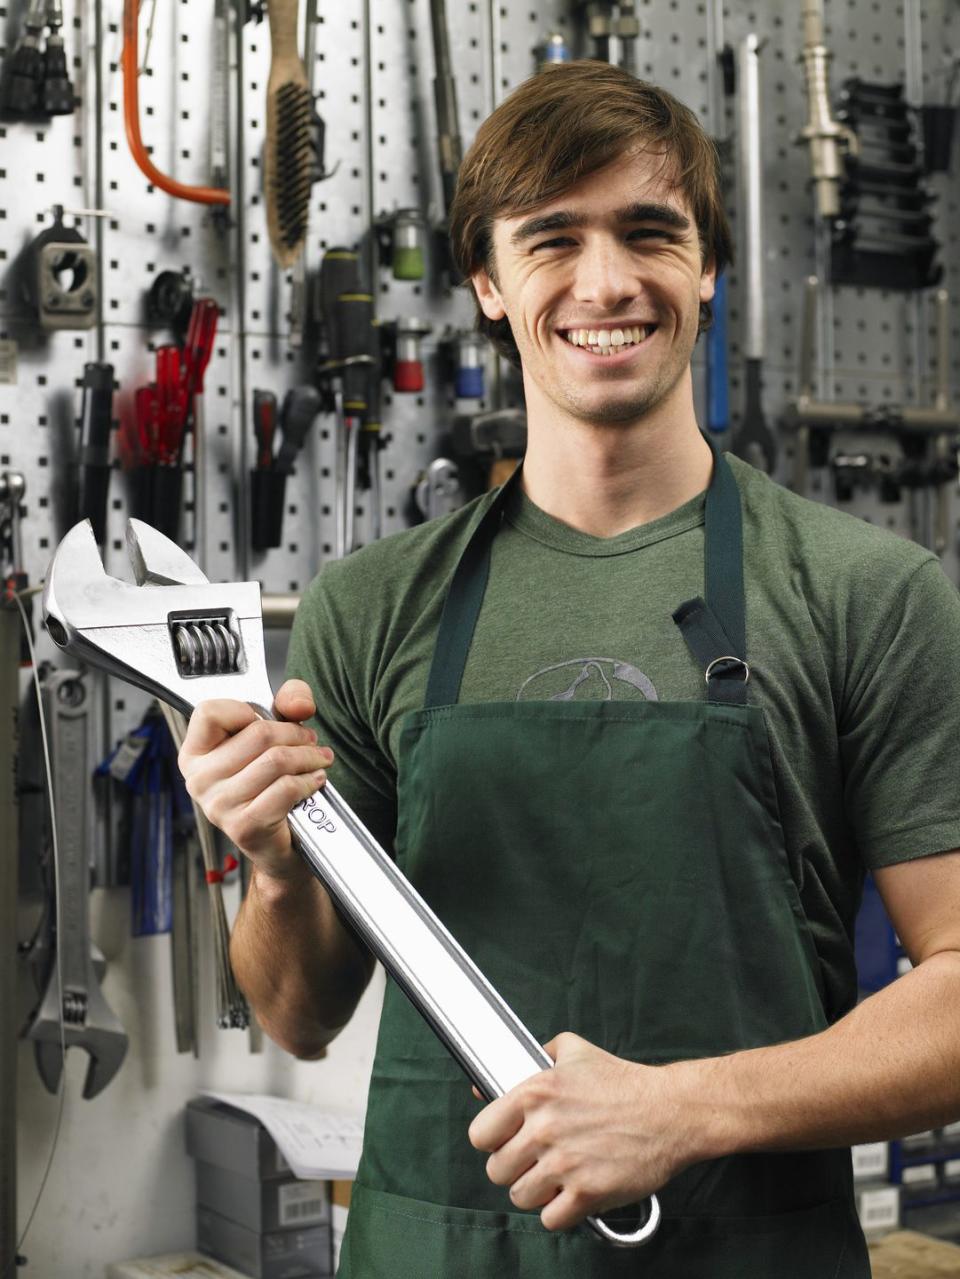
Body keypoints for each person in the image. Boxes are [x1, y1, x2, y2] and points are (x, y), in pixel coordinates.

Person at [179, 61, 960, 1277]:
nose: (607, 282)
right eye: (552, 241)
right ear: (488, 283)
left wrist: (686, 1109)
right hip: (432, 1252)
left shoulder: (869, 592)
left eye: (651, 232)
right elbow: (297, 1012)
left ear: (707, 266)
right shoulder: (372, 606)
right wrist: (277, 870)